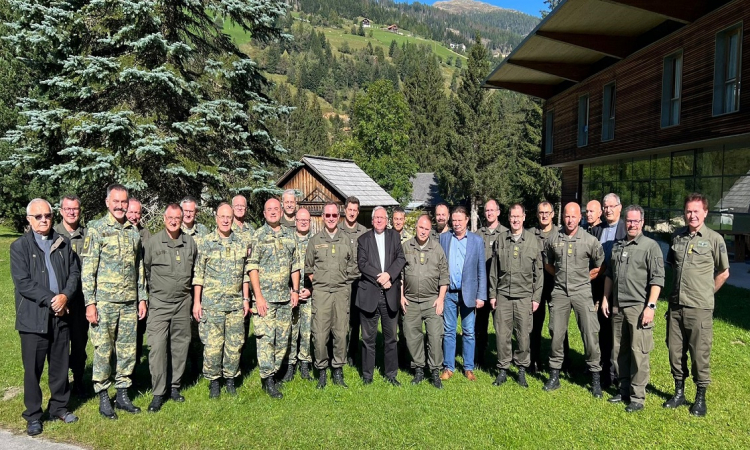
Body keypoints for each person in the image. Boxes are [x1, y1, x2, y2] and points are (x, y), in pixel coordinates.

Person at [11, 199, 80, 435]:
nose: (44, 220)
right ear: (29, 220)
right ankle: (33, 415)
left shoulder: (63, 243)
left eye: (47, 215)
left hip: (61, 315)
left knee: (60, 365)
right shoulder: (19, 247)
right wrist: (54, 300)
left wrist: (65, 297)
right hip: (33, 318)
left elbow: (74, 274)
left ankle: (59, 407)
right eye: (38, 216)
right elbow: (23, 283)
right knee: (33, 369)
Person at [81, 184, 147, 419]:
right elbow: (88, 270)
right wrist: (90, 303)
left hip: (129, 302)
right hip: (104, 303)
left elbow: (139, 268)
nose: (120, 206)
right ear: (107, 202)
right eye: (116, 202)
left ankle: (122, 394)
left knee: (128, 350)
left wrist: (142, 298)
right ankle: (102, 396)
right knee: (103, 350)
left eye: (124, 202)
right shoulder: (96, 229)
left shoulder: (133, 231)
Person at [663, 193, 730, 417]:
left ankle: (700, 398)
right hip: (675, 306)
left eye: (696, 211)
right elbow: (673, 266)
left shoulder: (714, 239)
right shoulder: (677, 237)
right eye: (688, 211)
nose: (692, 215)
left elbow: (724, 272)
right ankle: (679, 393)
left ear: (705, 212)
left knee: (699, 354)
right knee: (675, 352)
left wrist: (706, 293)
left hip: (699, 309)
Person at [601, 205, 664, 412]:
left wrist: (651, 307)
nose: (632, 224)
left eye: (636, 221)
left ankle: (638, 397)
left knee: (639, 352)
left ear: (642, 222)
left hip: (638, 308)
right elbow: (610, 273)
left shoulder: (650, 246)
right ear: (624, 222)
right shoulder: (618, 246)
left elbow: (657, 279)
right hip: (618, 307)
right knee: (619, 351)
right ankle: (624, 389)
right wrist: (605, 298)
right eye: (629, 221)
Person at [543, 202, 605, 397]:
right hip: (560, 292)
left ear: (580, 218)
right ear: (563, 217)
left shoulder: (589, 240)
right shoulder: (554, 239)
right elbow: (548, 263)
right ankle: (554, 375)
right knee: (557, 333)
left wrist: (586, 278)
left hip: (582, 292)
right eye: (567, 216)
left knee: (589, 333)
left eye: (574, 216)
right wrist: (561, 277)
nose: (570, 220)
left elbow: (601, 265)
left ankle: (595, 377)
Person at [192, 203, 250, 399]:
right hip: (212, 305)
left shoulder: (241, 243)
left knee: (235, 344)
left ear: (233, 218)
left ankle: (231, 379)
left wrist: (245, 298)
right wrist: (197, 302)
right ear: (216, 218)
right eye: (222, 216)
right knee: (213, 346)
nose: (225, 220)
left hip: (234, 305)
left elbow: (245, 275)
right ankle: (214, 381)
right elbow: (198, 274)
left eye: (229, 217)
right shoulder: (206, 242)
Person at [144, 204, 197, 412]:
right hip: (159, 303)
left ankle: (175, 386)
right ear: (164, 218)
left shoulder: (189, 242)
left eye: (178, 217)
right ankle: (158, 392)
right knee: (157, 347)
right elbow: (146, 269)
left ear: (182, 219)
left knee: (180, 346)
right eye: (170, 217)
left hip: (183, 302)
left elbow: (193, 272)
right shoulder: (153, 242)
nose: (174, 221)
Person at [247, 198, 301, 399]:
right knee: (266, 339)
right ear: (263, 213)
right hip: (266, 300)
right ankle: (268, 379)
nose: (273, 212)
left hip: (285, 299)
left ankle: (275, 372)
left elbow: (295, 265)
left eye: (276, 209)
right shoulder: (258, 236)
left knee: (282, 340)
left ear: (281, 212)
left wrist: (295, 290)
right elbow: (252, 268)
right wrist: (258, 297)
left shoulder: (290, 235)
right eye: (269, 209)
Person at [305, 203, 359, 389]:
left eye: (334, 215)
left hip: (341, 292)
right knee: (320, 335)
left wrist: (342, 283)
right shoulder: (315, 240)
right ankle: (321, 370)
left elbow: (353, 266)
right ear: (322, 216)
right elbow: (309, 267)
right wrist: (319, 282)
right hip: (321, 293)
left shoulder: (346, 240)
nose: (330, 218)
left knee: (341, 333)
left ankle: (338, 369)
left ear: (339, 216)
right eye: (327, 215)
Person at [488, 204, 542, 388]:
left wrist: (536, 297)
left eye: (518, 216)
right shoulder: (501, 240)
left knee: (523, 335)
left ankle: (521, 369)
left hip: (524, 296)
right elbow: (494, 270)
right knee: (502, 334)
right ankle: (503, 369)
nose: (515, 220)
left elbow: (539, 273)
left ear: (524, 217)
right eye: (512, 216)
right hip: (503, 295)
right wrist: (492, 294)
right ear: (508, 218)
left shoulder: (533, 241)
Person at [357, 206, 406, 385]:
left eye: (382, 218)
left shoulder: (394, 237)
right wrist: (381, 277)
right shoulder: (363, 240)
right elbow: (362, 264)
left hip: (390, 294)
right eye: (376, 218)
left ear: (387, 220)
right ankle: (367, 376)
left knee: (390, 338)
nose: (379, 220)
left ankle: (391, 374)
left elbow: (400, 259)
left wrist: (389, 275)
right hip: (369, 294)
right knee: (368, 339)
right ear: (372, 220)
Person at [401, 215, 448, 389]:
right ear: (416, 228)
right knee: (412, 335)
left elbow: (444, 276)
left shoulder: (437, 249)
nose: (423, 231)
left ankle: (435, 371)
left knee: (435, 337)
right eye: (421, 227)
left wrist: (441, 298)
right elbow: (400, 275)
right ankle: (419, 368)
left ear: (430, 230)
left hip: (431, 301)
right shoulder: (406, 247)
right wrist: (401, 296)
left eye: (426, 229)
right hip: (411, 300)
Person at [439, 206, 486, 382]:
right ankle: (449, 367)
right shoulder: (444, 238)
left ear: (467, 220)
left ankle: (468, 367)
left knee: (469, 332)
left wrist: (481, 295)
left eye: (460, 220)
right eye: (454, 220)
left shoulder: (476, 241)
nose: (457, 223)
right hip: (449, 293)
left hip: (469, 293)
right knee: (449, 331)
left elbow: (481, 269)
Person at [590, 193, 626, 388]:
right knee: (603, 332)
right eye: (605, 207)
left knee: (618, 335)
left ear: (619, 208)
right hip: (599, 288)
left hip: (621, 291)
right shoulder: (597, 231)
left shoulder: (626, 228)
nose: (608, 210)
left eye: (612, 206)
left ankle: (618, 374)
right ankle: (604, 372)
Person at [527, 201, 568, 373]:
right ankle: (533, 361)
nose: (544, 215)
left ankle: (563, 362)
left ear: (552, 214)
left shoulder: (560, 234)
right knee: (534, 326)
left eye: (547, 212)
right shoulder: (530, 234)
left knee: (558, 326)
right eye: (541, 212)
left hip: (555, 284)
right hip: (535, 285)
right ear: (537, 214)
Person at [54, 194, 88, 396]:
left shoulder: (87, 235)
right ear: (61, 211)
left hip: (81, 299)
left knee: (79, 342)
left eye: (75, 209)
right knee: (59, 343)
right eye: (68, 209)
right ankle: (61, 382)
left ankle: (79, 380)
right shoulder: (53, 233)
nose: (72, 212)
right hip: (60, 298)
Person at [475, 199, 508, 369]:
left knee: (501, 326)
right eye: (486, 210)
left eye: (492, 210)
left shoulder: (506, 234)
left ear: (498, 212)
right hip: (481, 288)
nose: (489, 213)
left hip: (500, 289)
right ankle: (479, 358)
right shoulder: (478, 234)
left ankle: (502, 360)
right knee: (479, 326)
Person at [283, 208, 314, 382]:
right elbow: (282, 267)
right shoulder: (288, 240)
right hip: (290, 293)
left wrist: (311, 289)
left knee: (307, 331)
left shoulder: (315, 241)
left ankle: (304, 364)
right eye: (300, 219)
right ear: (295, 221)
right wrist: (290, 290)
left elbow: (320, 269)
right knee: (291, 331)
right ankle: (290, 364)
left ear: (310, 222)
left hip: (309, 294)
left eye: (306, 220)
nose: (303, 222)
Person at [338, 196, 368, 367]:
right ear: (345, 210)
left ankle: (352, 353)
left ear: (358, 212)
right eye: (349, 210)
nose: (352, 213)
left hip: (358, 282)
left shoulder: (364, 232)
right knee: (340, 319)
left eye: (355, 210)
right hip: (341, 282)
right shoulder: (338, 230)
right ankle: (339, 353)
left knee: (355, 321)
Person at [127, 196, 150, 368]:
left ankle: (134, 370)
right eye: (131, 212)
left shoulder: (145, 233)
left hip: (142, 289)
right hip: (123, 290)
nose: (134, 216)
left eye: (137, 212)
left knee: (138, 332)